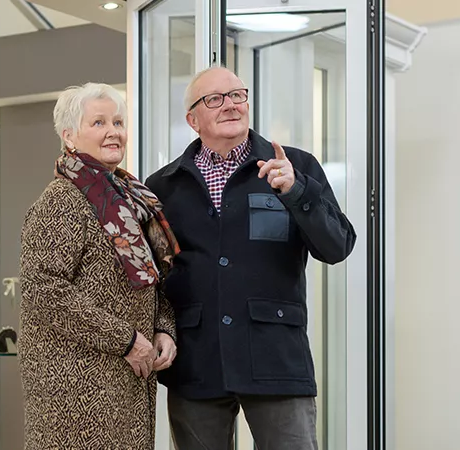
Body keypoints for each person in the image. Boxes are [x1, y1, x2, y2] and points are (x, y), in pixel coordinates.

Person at [146, 66, 357, 450]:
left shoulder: (296, 167)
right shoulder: (162, 186)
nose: (230, 105)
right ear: (193, 119)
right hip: (197, 362)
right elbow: (153, 275)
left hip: (276, 357)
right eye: (214, 99)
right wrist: (158, 328)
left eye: (237, 95)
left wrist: (296, 192)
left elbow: (337, 246)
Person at [17, 82, 179, 450]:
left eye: (118, 122)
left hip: (126, 378)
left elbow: (153, 279)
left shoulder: (130, 198)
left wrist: (162, 329)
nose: (113, 132)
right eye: (99, 123)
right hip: (74, 387)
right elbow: (43, 291)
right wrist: (125, 340)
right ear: (69, 136)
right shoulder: (60, 201)